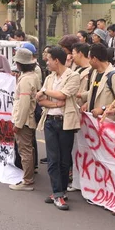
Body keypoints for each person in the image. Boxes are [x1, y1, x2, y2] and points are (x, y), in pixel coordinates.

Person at [36, 46, 80, 210]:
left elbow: (63, 95)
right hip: (50, 120)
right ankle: (57, 193)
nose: (46, 63)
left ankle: (60, 190)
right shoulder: (49, 78)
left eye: (48, 59)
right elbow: (41, 100)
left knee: (64, 159)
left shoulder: (73, 76)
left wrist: (46, 92)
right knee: (53, 158)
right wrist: (54, 102)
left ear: (56, 60)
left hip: (65, 121)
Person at [9, 48, 41, 191]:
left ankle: (27, 180)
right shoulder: (31, 76)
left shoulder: (26, 80)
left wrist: (18, 123)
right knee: (28, 148)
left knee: (25, 150)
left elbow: (24, 104)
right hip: (28, 118)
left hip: (25, 120)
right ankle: (29, 175)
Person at [80, 43, 115, 118]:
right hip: (94, 122)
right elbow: (96, 92)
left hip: (107, 122)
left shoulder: (114, 76)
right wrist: (87, 103)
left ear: (94, 59)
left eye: (89, 58)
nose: (88, 61)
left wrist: (103, 108)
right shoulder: (94, 72)